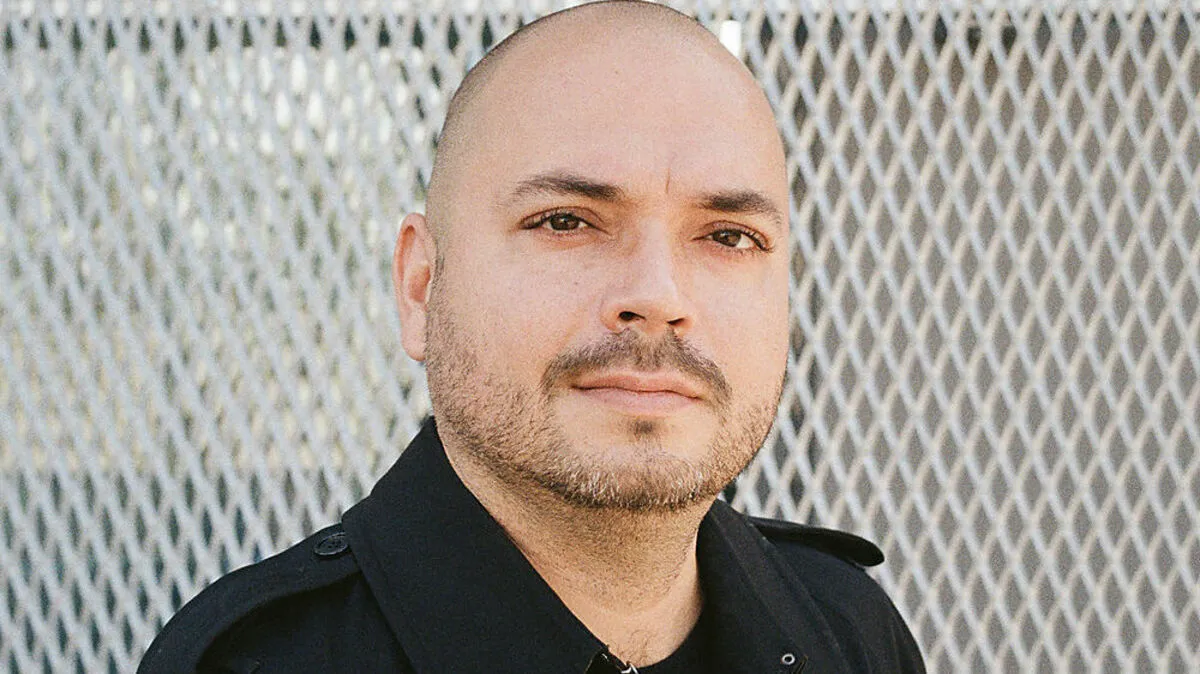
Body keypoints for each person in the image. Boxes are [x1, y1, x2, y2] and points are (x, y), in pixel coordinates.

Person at [140, 1, 925, 672]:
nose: (657, 297)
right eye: (566, 222)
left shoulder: (848, 628)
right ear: (421, 286)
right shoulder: (259, 662)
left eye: (728, 236)